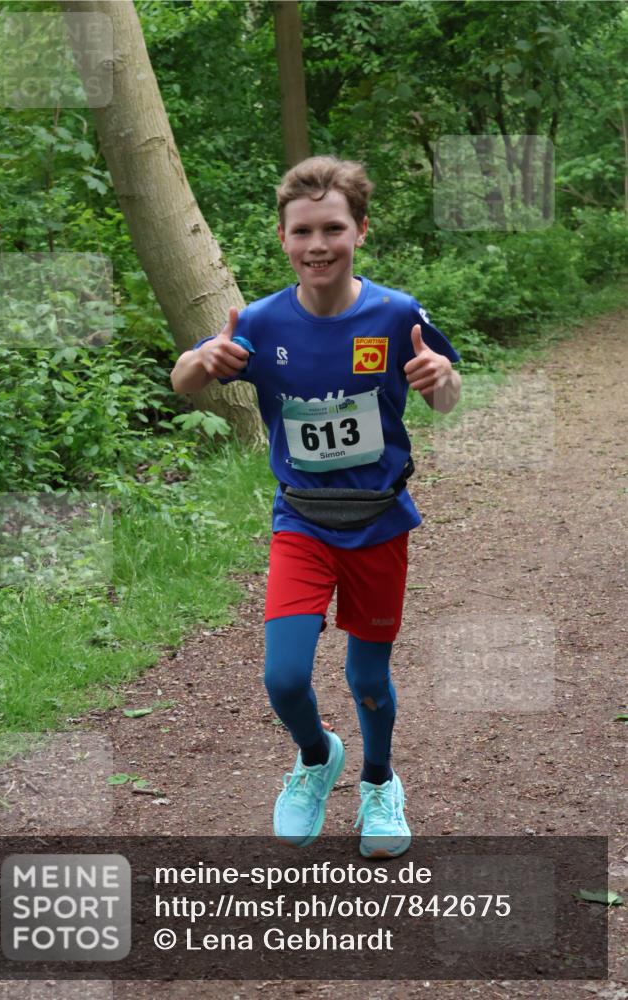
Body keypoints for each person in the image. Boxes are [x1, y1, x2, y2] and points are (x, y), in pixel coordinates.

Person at [171, 156, 461, 858]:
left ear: (359, 230)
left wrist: (440, 377)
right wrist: (204, 360)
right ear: (282, 239)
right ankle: (313, 757)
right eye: (303, 232)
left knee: (367, 676)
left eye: (333, 228)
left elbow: (445, 396)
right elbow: (184, 382)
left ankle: (378, 782)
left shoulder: (395, 315)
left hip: (379, 522)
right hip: (300, 521)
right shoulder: (260, 319)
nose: (318, 244)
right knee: (284, 676)